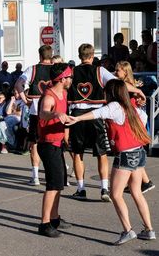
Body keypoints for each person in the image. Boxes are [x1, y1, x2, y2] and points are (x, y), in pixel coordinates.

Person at [67, 79, 155, 245]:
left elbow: (97, 113)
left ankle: (128, 230)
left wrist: (77, 119)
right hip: (139, 152)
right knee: (136, 191)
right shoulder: (134, 109)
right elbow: (141, 122)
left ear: (111, 93)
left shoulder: (115, 107)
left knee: (115, 194)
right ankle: (149, 229)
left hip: (126, 155)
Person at [68, 44, 146, 201]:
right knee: (101, 153)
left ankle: (81, 188)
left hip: (77, 114)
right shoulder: (100, 70)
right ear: (91, 56)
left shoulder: (72, 72)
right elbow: (119, 84)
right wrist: (137, 90)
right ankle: (104, 188)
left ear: (79, 56)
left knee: (78, 154)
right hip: (97, 114)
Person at [36, 63, 73, 237]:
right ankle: (44, 223)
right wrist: (56, 114)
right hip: (48, 144)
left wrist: (66, 136)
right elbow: (43, 113)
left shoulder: (64, 93)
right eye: (69, 77)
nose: (71, 79)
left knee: (59, 183)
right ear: (62, 78)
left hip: (58, 143)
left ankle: (55, 217)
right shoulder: (49, 97)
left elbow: (63, 119)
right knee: (52, 185)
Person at [15, 45, 54, 186]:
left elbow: (19, 84)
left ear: (40, 56)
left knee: (34, 144)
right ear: (51, 55)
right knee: (53, 143)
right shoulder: (57, 69)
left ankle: (35, 176)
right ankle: (55, 174)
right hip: (52, 111)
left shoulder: (33, 69)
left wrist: (25, 100)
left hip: (36, 111)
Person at [114, 61, 155, 193]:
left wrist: (139, 98)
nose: (115, 72)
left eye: (118, 70)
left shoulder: (128, 85)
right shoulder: (129, 85)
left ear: (125, 71)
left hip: (134, 120)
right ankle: (144, 182)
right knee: (134, 150)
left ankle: (144, 182)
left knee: (133, 150)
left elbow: (137, 101)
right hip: (133, 119)